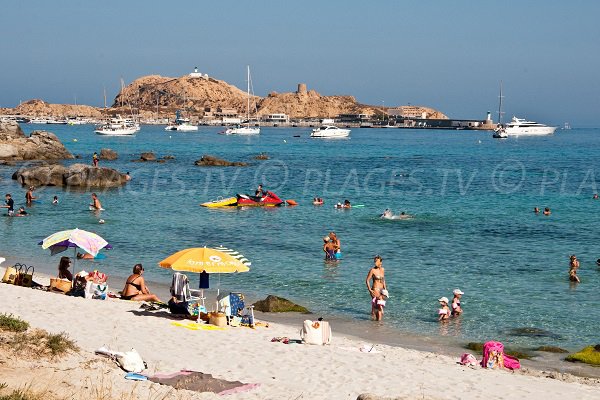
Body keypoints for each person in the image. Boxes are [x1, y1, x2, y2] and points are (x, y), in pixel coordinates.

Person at [365, 255, 387, 321]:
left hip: (381, 290)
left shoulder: (383, 269)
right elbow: (367, 280)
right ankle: (378, 324)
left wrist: (385, 289)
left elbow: (383, 280)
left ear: (381, 262)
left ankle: (374, 321)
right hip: (375, 290)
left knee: (378, 307)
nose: (375, 263)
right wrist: (369, 289)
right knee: (380, 308)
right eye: (374, 261)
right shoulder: (372, 270)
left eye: (376, 261)